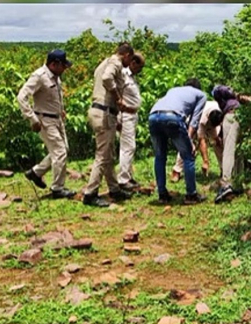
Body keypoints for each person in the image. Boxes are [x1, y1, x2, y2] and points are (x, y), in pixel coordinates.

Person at [17, 49, 76, 199]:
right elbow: (22, 97)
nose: (64, 69)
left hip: (57, 119)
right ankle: (57, 188)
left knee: (64, 149)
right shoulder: (39, 77)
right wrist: (32, 118)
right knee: (60, 152)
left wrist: (61, 110)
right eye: (63, 65)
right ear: (54, 64)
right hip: (44, 120)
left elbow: (54, 97)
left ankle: (36, 172)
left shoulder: (56, 77)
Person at [83, 42, 135, 207]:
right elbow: (107, 79)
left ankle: (114, 189)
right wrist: (117, 97)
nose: (129, 64)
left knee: (108, 153)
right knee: (103, 155)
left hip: (101, 111)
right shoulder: (116, 62)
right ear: (126, 55)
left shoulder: (103, 63)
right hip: (104, 112)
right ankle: (90, 193)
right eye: (130, 59)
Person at [148, 78, 208, 205]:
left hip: (153, 116)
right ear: (198, 88)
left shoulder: (174, 90)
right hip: (172, 117)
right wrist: (190, 140)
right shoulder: (201, 95)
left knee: (159, 156)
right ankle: (191, 195)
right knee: (188, 156)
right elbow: (194, 121)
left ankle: (162, 194)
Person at [210, 84, 251, 203]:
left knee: (228, 151)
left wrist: (234, 93)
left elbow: (220, 89)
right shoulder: (235, 100)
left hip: (231, 116)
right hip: (242, 116)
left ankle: (226, 185)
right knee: (239, 151)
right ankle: (238, 184)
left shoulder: (218, 92)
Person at [171, 100, 224, 181]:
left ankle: (224, 170)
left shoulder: (219, 109)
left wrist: (216, 138)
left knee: (218, 144)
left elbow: (215, 133)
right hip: (194, 122)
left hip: (212, 122)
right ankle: (176, 171)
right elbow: (202, 140)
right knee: (188, 145)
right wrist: (205, 161)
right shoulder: (201, 117)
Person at [117, 52, 145, 191]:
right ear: (133, 62)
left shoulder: (132, 77)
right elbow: (117, 96)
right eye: (139, 67)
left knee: (130, 146)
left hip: (133, 115)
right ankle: (123, 179)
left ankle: (128, 175)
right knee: (128, 147)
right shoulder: (122, 75)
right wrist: (119, 116)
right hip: (125, 115)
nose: (139, 71)